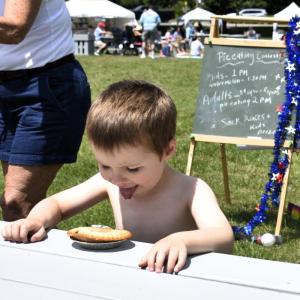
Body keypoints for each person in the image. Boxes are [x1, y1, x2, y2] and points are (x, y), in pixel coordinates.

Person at [2, 80, 234, 274]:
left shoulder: (190, 190)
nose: (117, 178)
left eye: (133, 169)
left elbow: (223, 237)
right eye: (105, 165)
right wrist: (36, 220)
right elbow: (58, 204)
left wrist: (180, 240)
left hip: (180, 277)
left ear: (168, 150)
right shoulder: (108, 182)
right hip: (130, 272)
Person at [0, 0, 91, 221]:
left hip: (47, 87)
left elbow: (14, 28)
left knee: (17, 203)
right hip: (6, 88)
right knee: (23, 207)